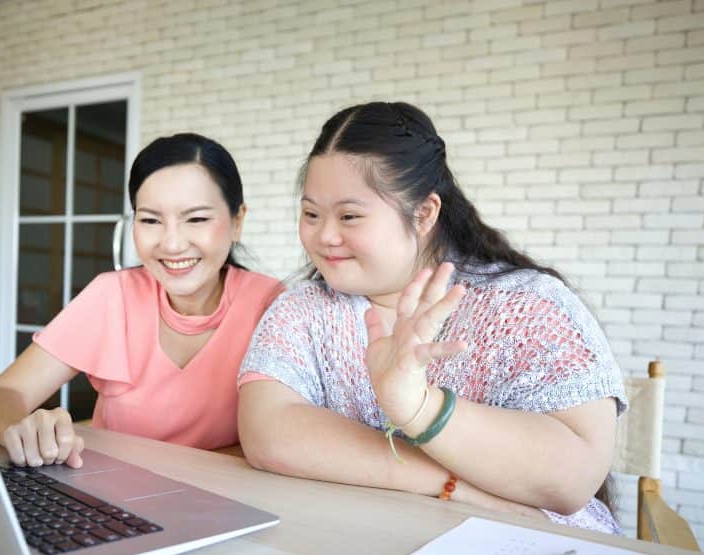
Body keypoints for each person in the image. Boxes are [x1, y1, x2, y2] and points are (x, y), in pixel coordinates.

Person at [237, 102, 626, 533]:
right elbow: (268, 432)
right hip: (352, 546)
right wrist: (451, 484)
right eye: (311, 214)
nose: (324, 236)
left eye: (349, 216)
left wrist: (422, 408)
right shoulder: (304, 308)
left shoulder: (527, 306)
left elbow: (573, 475)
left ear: (424, 213)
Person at [0, 133, 281, 468]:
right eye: (150, 220)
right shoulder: (112, 296)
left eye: (196, 219)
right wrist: (22, 430)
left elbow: (284, 441)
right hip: (114, 502)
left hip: (233, 499)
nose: (172, 243)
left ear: (237, 221)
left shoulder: (272, 306)